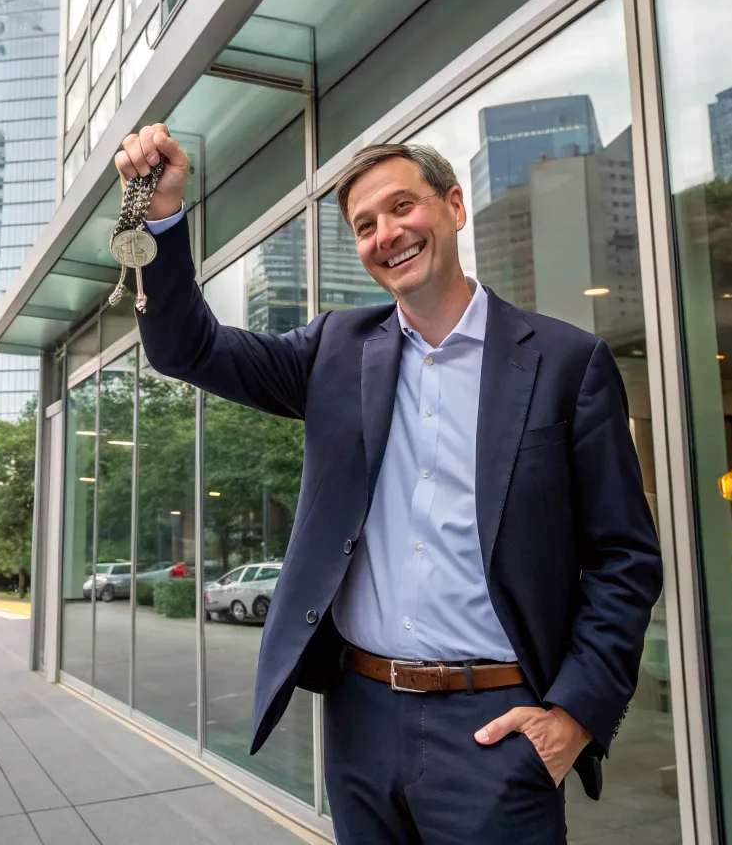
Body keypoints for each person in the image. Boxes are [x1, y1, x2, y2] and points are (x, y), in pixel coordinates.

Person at [115, 124, 663, 844]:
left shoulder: (566, 362)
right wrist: (161, 218)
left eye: (404, 207)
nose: (388, 234)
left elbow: (625, 559)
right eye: (365, 225)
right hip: (360, 720)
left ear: (455, 206)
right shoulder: (335, 352)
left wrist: (572, 718)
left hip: (496, 730)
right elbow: (188, 348)